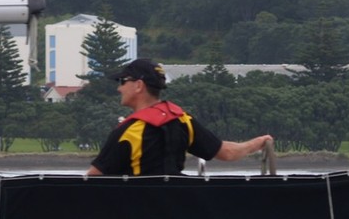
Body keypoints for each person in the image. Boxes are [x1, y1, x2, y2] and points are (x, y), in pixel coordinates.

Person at [86, 58, 273, 177]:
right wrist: (259, 142)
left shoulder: (128, 131)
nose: (119, 88)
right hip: (178, 210)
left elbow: (92, 179)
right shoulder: (182, 121)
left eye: (123, 81)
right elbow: (226, 153)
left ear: (138, 86)